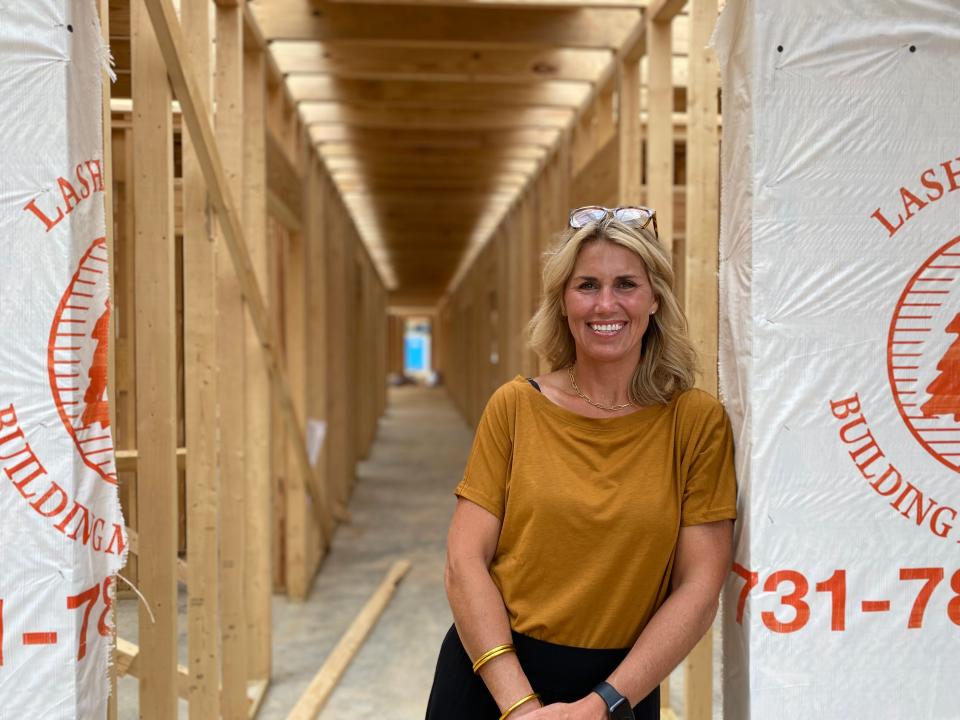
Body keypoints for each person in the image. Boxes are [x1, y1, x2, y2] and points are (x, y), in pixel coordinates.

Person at [425, 205, 737, 720]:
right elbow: (464, 562)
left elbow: (700, 587)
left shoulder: (694, 422)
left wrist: (603, 704)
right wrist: (521, 706)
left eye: (626, 285)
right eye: (586, 285)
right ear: (563, 302)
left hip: (618, 690)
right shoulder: (515, 407)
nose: (605, 304)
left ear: (655, 298)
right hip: (492, 675)